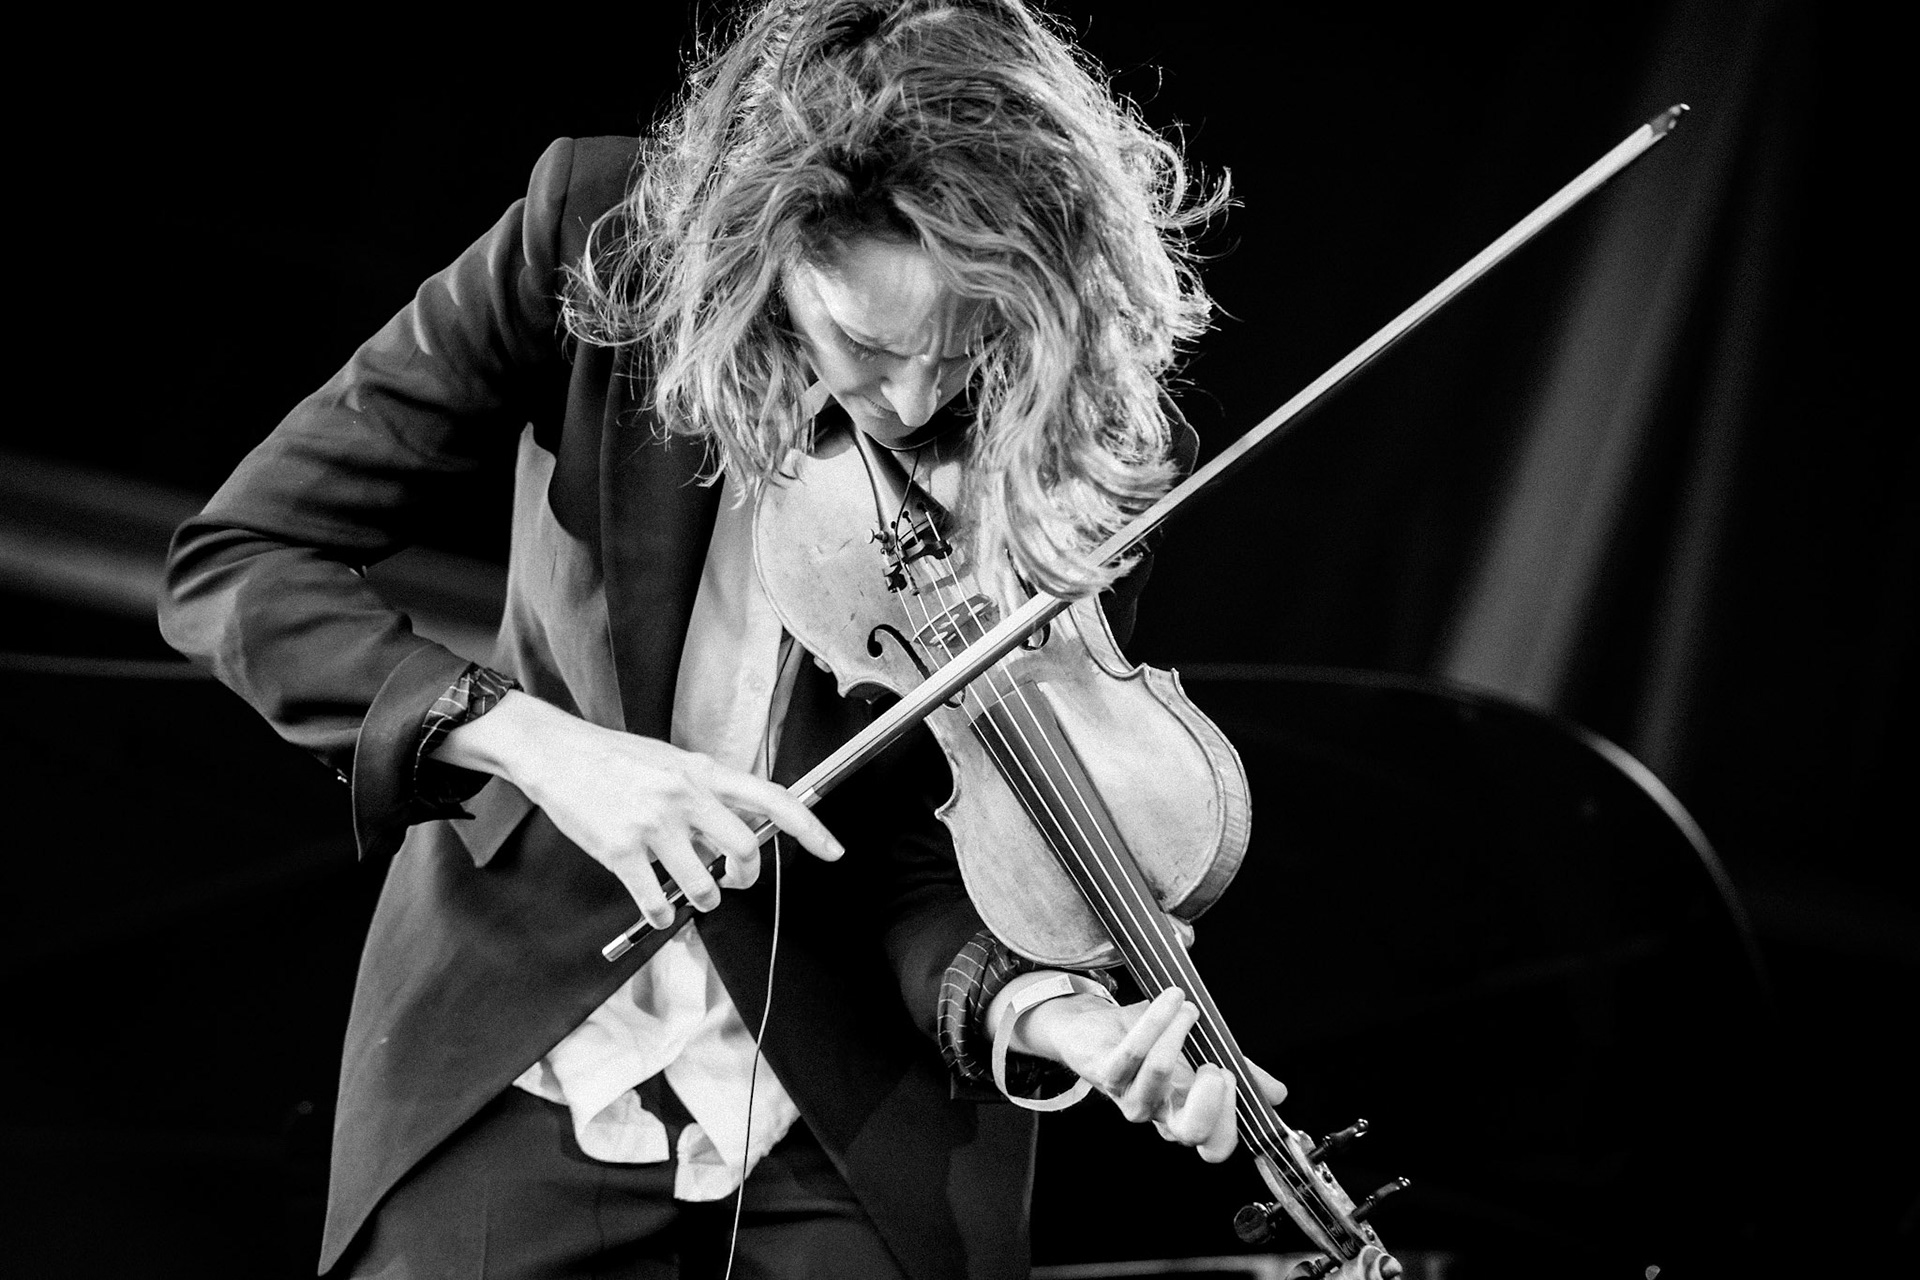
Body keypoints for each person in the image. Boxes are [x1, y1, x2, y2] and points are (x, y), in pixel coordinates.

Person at [162, 3, 1379, 1277]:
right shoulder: (601, 231)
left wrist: (1048, 1008)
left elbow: (929, 844)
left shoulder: (1071, 436)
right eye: (864, 341)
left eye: (964, 352)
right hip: (523, 1028)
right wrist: (537, 744)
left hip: (850, 1103)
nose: (913, 405)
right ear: (766, 244)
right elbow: (243, 559)